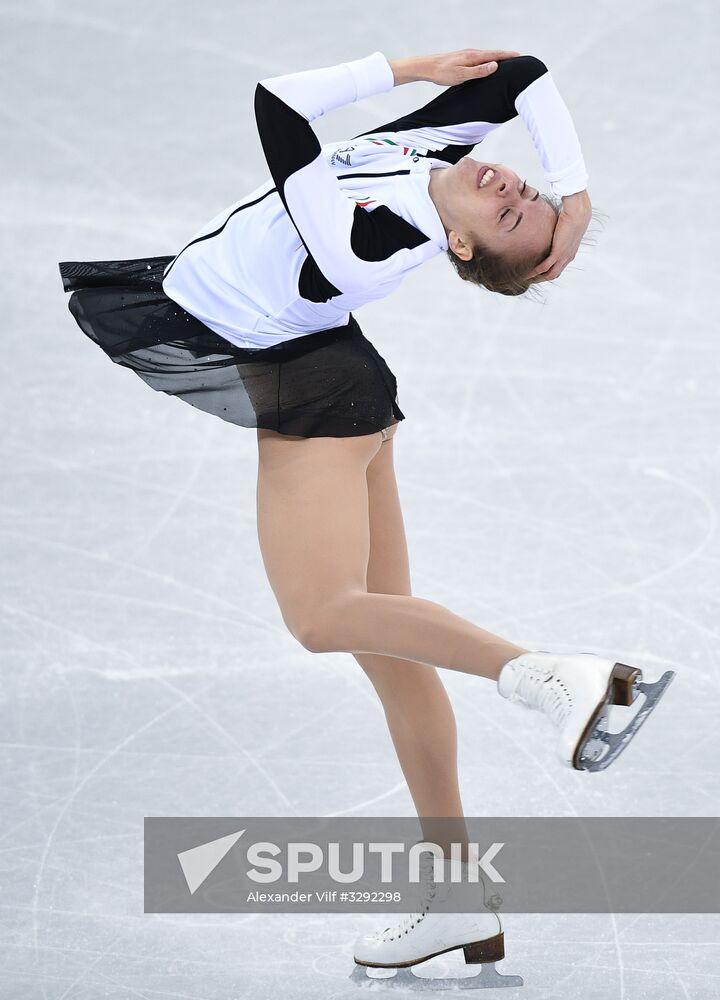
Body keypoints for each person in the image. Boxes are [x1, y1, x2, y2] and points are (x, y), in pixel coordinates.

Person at [59, 47, 674, 984]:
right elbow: (526, 76)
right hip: (338, 375)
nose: (510, 182)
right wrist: (574, 200)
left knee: (321, 615)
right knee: (392, 652)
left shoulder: (367, 237)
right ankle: (455, 894)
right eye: (524, 189)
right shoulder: (434, 157)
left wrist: (403, 67)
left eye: (511, 212)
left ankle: (553, 676)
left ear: (461, 249)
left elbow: (278, 106)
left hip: (310, 387)